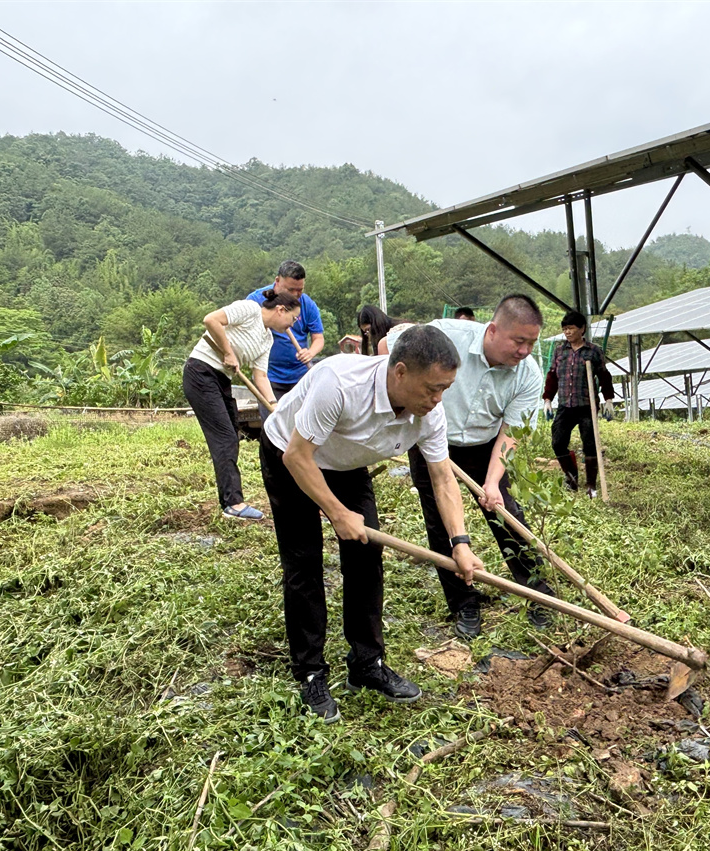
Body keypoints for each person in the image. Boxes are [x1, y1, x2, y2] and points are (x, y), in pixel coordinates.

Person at [259, 325, 485, 721]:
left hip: (346, 461)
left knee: (366, 555)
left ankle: (367, 664)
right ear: (399, 372)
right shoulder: (340, 383)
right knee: (304, 564)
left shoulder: (429, 410)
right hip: (291, 453)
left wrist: (460, 542)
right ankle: (310, 672)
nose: (437, 399)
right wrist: (336, 511)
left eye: (445, 389)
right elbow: (297, 457)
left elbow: (442, 477)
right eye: (431, 388)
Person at [388, 295, 554, 638]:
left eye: (532, 343)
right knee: (441, 524)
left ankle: (539, 595)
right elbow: (388, 344)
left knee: (507, 515)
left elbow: (512, 432)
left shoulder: (528, 374)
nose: (524, 351)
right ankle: (464, 603)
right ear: (493, 330)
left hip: (485, 446)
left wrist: (492, 482)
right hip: (432, 441)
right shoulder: (444, 336)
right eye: (519, 341)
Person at [183, 292, 300, 520]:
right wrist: (228, 352)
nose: (291, 325)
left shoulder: (268, 339)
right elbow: (211, 320)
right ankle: (233, 504)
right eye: (293, 319)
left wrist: (274, 406)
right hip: (200, 372)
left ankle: (229, 500)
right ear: (281, 310)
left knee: (231, 436)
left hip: (222, 380)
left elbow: (261, 376)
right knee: (224, 437)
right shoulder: (249, 310)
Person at [543, 311, 614, 498]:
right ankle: (571, 478)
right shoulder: (560, 351)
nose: (567, 332)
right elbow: (552, 376)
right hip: (565, 405)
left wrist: (608, 400)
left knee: (590, 444)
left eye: (571, 328)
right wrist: (547, 399)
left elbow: (604, 376)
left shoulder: (593, 351)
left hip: (586, 406)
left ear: (581, 329)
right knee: (558, 442)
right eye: (565, 329)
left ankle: (591, 485)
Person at [247, 261, 325, 400]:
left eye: (300, 290)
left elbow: (318, 338)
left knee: (301, 420)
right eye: (290, 290)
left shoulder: (307, 304)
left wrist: (310, 353)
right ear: (277, 281)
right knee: (273, 419)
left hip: (301, 377)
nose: (296, 294)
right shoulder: (255, 301)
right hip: (268, 376)